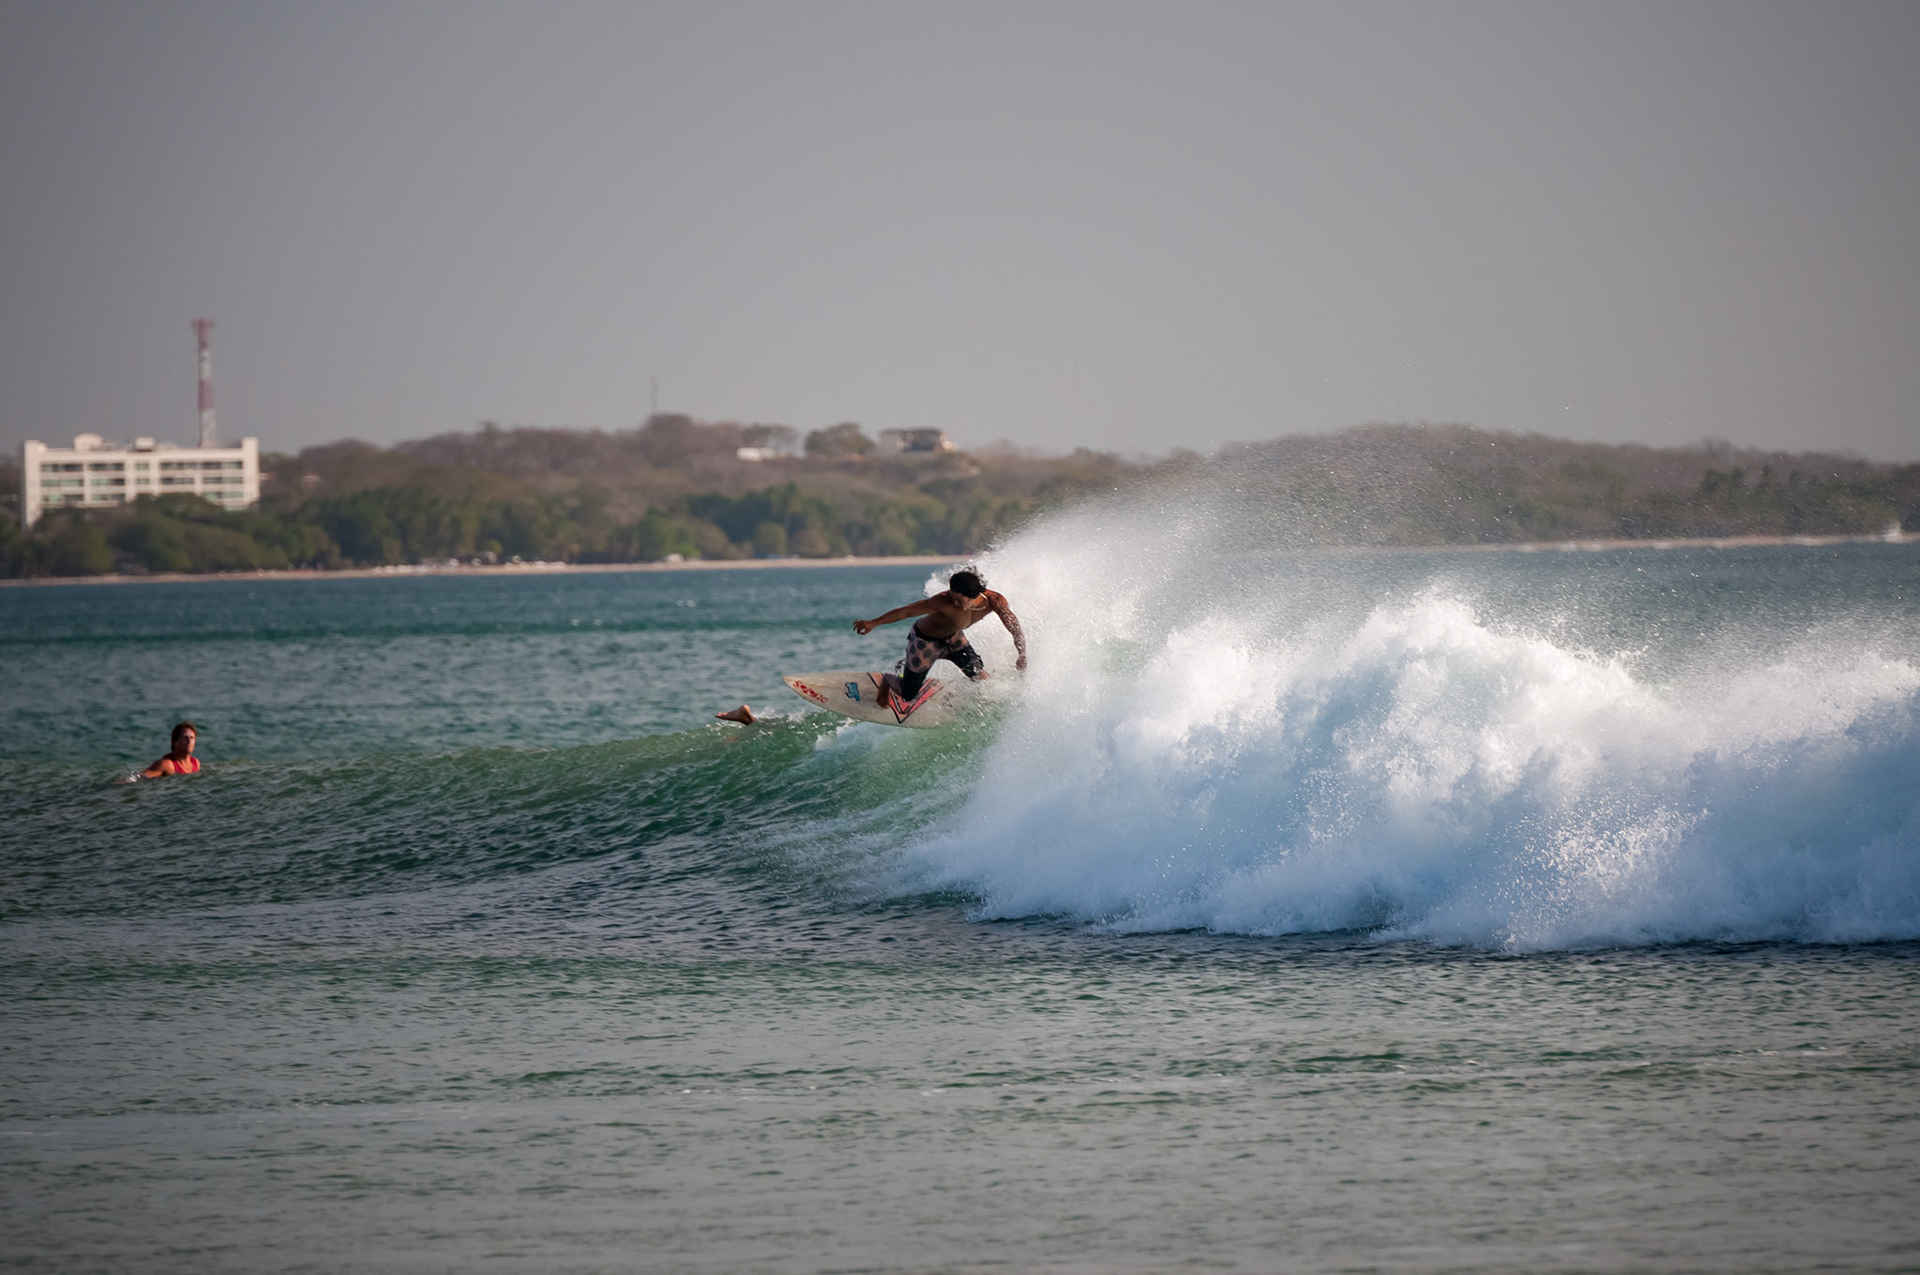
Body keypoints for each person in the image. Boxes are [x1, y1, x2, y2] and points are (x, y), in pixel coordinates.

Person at [854, 569, 1026, 710]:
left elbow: (1014, 627)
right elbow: (904, 612)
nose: (955, 603)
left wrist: (1022, 653)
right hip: (924, 642)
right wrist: (873, 623)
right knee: (908, 694)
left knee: (979, 675)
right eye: (953, 597)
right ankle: (888, 680)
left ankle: (968, 701)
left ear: (974, 595)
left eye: (960, 600)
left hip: (954, 640)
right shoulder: (942, 601)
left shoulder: (995, 601)